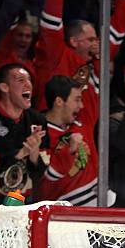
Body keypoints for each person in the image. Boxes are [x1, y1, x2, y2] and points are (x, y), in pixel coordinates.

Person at [0, 64, 47, 243]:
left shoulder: (37, 121)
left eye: (29, 80)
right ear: (4, 87)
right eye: (21, 80)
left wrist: (32, 154)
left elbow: (39, 172)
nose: (28, 84)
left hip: (23, 205)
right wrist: (20, 152)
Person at [33, 0, 125, 112]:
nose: (96, 45)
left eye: (97, 40)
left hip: (87, 130)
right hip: (51, 128)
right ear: (74, 41)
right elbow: (52, 21)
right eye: (91, 40)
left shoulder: (95, 68)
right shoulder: (55, 57)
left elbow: (115, 34)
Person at [36, 75, 98, 206]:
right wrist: (68, 151)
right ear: (59, 101)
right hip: (64, 212)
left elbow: (98, 77)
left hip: (102, 199)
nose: (81, 106)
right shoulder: (38, 133)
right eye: (77, 100)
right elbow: (46, 180)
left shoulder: (83, 121)